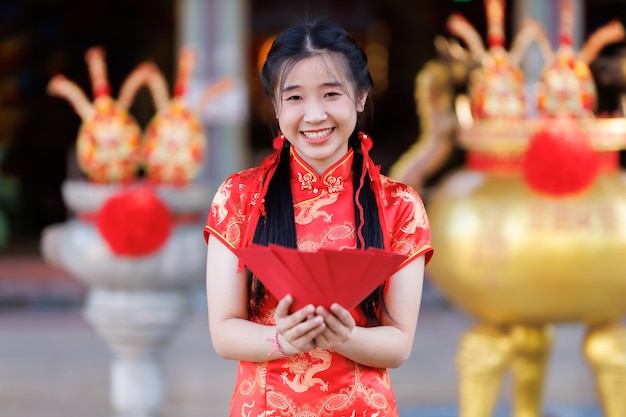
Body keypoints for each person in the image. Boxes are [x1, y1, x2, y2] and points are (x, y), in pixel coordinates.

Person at [204, 19, 433, 416]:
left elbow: (398, 345)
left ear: (360, 97)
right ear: (275, 106)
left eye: (331, 94)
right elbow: (224, 333)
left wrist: (342, 338)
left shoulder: (400, 206)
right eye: (294, 98)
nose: (314, 115)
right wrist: (282, 341)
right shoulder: (239, 197)